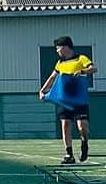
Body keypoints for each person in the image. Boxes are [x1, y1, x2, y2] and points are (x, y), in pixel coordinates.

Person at [39, 35, 96, 164]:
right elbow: (53, 77)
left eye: (58, 48)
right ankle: (69, 154)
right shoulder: (60, 63)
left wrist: (82, 70)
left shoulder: (81, 58)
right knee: (65, 125)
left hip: (79, 99)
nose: (57, 51)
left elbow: (93, 69)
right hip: (64, 100)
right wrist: (43, 90)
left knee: (83, 127)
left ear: (65, 47)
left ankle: (84, 143)